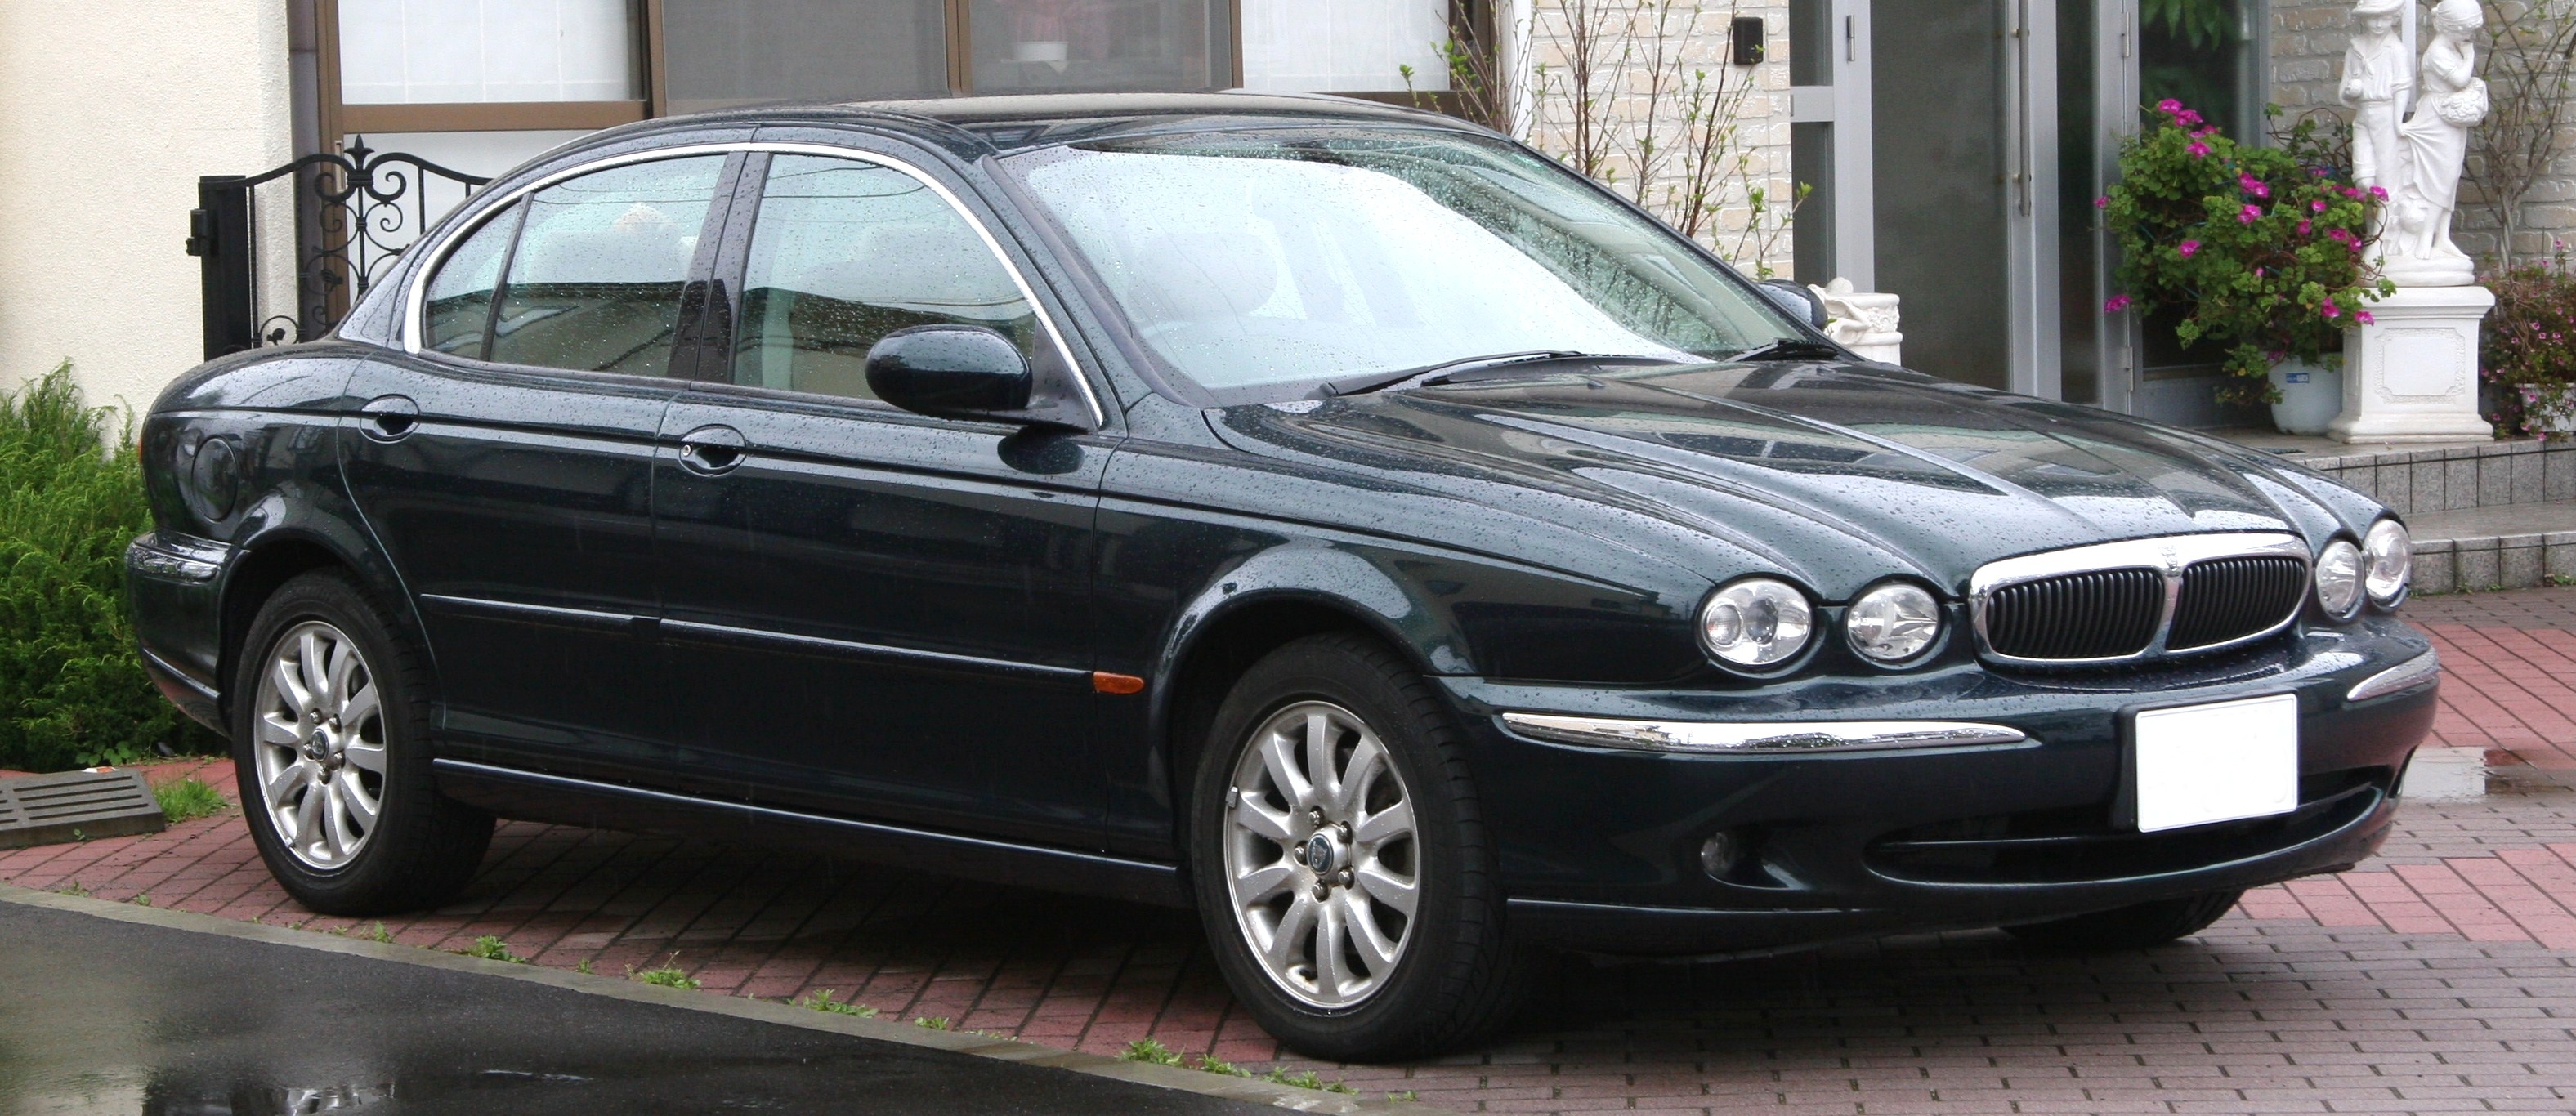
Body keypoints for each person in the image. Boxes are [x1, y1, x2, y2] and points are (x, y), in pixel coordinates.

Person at [2390, 0, 2488, 283]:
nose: (2469, 37)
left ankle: (2441, 237)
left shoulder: (2451, 47)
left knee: (2451, 176)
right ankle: (2424, 239)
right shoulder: (2437, 52)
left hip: (2451, 118)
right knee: (2438, 178)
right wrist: (2469, 56)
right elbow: (2459, 79)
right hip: (2436, 119)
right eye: (2466, 31)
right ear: (2449, 27)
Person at [2341, 0, 2413, 206]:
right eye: (2374, 18)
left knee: (2386, 177)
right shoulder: (2355, 50)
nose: (2379, 24)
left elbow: (2402, 87)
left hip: (2386, 114)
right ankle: (2375, 226)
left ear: (2393, 18)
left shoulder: (2396, 50)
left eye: (2385, 18)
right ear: (2364, 18)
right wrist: (2352, 91)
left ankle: (2385, 231)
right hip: (2363, 115)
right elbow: (2344, 95)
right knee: (2364, 179)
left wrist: (2397, 121)